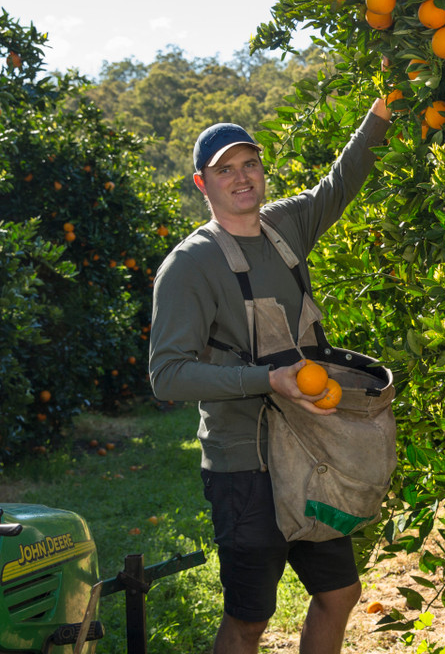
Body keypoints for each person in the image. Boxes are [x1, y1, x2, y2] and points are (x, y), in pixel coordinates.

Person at [148, 95, 391, 654]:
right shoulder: (189, 265)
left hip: (311, 451)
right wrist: (266, 380)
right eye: (224, 169)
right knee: (249, 620)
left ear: (262, 170)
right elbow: (168, 376)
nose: (241, 178)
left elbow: (340, 182)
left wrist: (379, 114)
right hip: (245, 464)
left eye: (249, 164)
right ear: (201, 183)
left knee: (340, 591)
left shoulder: (284, 228)